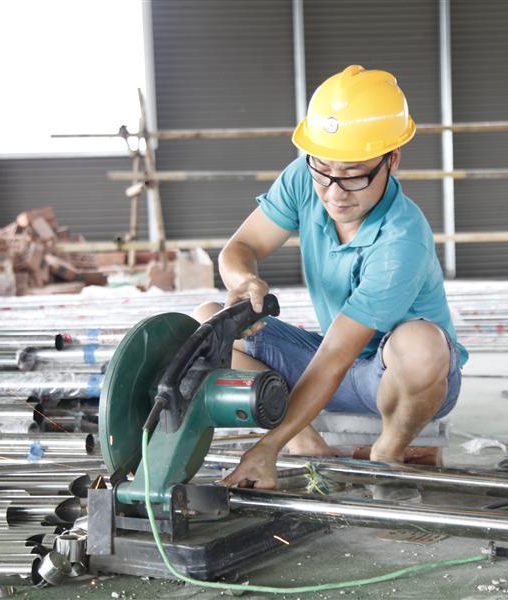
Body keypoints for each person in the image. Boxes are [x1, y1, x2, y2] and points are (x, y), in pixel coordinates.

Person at [193, 65, 468, 490]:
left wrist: (265, 448)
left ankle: (388, 450)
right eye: (323, 169)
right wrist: (243, 280)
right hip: (335, 360)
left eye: (354, 174)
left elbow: (336, 357)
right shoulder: (305, 177)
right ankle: (306, 443)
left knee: (420, 346)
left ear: (392, 160)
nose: (335, 192)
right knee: (207, 322)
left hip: (396, 380)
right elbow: (241, 246)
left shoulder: (402, 239)